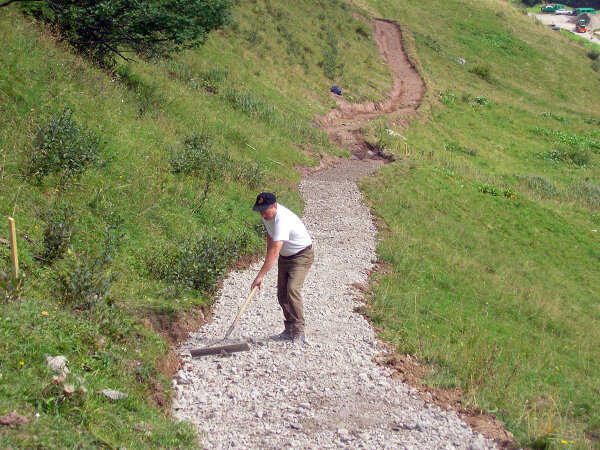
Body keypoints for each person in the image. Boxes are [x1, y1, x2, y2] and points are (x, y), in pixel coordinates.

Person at [251, 192, 314, 344]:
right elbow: (270, 237)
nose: (263, 215)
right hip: (286, 257)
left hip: (302, 255)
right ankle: (289, 329)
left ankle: (299, 331)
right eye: (260, 211)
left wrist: (260, 276)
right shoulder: (266, 216)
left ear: (275, 206)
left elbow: (274, 252)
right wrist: (268, 255)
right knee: (282, 294)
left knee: (292, 289)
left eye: (265, 211)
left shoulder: (282, 219)